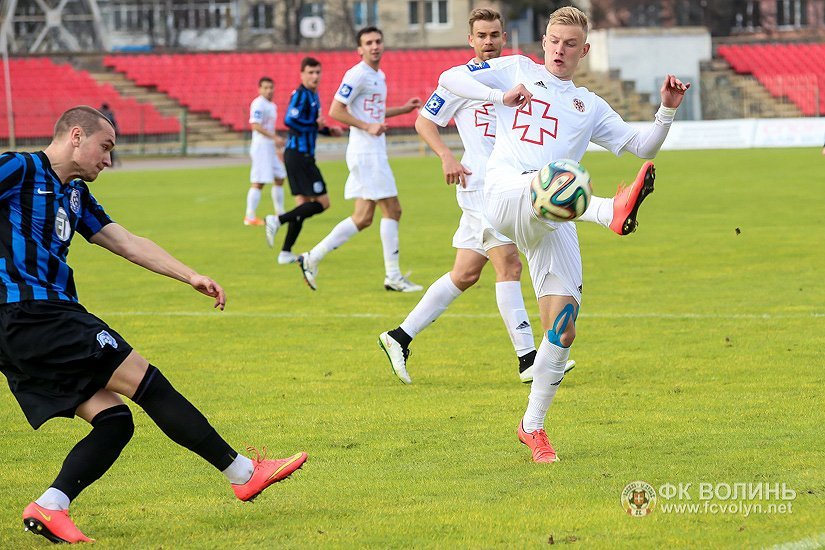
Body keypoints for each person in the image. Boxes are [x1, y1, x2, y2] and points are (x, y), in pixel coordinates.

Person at [0, 106, 307, 544]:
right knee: (149, 384)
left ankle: (51, 505)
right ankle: (242, 472)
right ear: (75, 136)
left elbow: (124, 240)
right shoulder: (20, 167)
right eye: (105, 147)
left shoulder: (75, 194)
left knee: (114, 420)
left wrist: (189, 275)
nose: (109, 160)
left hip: (30, 326)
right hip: (32, 313)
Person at [437, 6, 689, 462]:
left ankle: (532, 427)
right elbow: (449, 79)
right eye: (553, 41)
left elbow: (642, 147)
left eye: (570, 44)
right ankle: (608, 211)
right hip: (505, 193)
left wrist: (666, 110)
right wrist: (497, 96)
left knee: (563, 326)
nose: (559, 50)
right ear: (543, 43)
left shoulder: (588, 105)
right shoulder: (516, 69)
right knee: (558, 176)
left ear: (583, 51)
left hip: (553, 214)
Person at [377, 8, 635, 385]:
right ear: (471, 40)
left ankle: (399, 336)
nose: (489, 42)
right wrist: (446, 156)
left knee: (465, 273)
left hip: (512, 183)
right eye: (481, 36)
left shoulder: (518, 74)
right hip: (483, 187)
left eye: (495, 35)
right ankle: (527, 358)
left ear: (504, 37)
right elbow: (424, 121)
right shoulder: (467, 80)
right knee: (510, 264)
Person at [296, 26, 423, 292]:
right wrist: (367, 127)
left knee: (363, 217)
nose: (374, 46)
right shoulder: (357, 74)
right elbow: (336, 110)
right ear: (360, 49)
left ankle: (311, 257)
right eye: (368, 43)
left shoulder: (378, 75)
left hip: (372, 151)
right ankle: (393, 276)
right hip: (366, 153)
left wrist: (403, 109)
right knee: (393, 210)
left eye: (378, 41)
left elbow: (373, 113)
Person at [265, 57, 343, 265]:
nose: (315, 76)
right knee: (323, 203)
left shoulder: (313, 95)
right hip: (300, 155)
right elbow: (290, 120)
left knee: (302, 206)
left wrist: (327, 130)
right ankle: (276, 220)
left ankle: (285, 252)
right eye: (310, 72)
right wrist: (315, 124)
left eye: (317, 72)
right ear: (302, 75)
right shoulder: (301, 94)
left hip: (299, 156)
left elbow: (310, 125)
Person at [245, 77, 287, 226]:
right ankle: (250, 216)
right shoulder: (258, 104)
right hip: (261, 147)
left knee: (280, 177)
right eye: (265, 88)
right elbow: (255, 125)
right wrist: (275, 137)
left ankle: (280, 213)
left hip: (269, 146)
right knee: (259, 181)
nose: (269, 90)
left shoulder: (272, 105)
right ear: (259, 89)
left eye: (271, 87)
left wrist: (275, 143)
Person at [98, 102, 119, 167]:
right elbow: (114, 124)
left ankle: (99, 162)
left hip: (100, 134)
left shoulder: (99, 113)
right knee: (110, 149)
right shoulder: (110, 113)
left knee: (100, 148)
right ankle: (111, 163)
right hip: (109, 134)